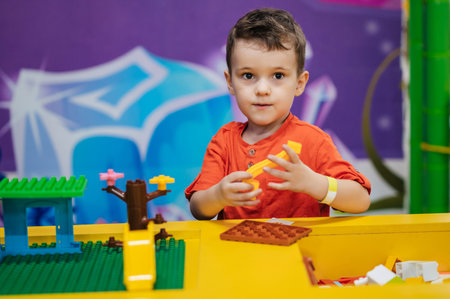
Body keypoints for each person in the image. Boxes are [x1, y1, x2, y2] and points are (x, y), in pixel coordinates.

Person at [185, 8, 371, 220]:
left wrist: (314, 183)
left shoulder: (314, 141)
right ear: (230, 82)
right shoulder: (224, 142)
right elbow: (198, 209)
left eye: (278, 75)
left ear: (299, 83)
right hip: (236, 252)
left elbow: (361, 200)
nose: (262, 89)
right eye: (248, 75)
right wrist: (218, 195)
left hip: (299, 252)